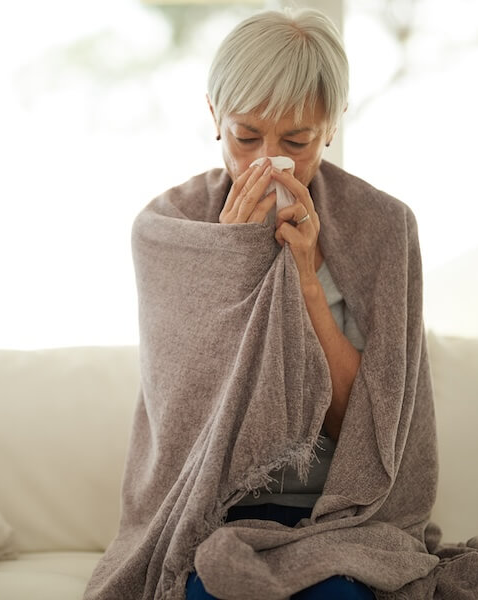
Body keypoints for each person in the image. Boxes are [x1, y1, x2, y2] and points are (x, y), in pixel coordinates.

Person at [86, 7, 437, 600]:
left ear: (331, 126)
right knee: (213, 587)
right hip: (209, 513)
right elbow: (188, 423)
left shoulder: (384, 229)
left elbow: (372, 430)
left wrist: (305, 282)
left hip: (342, 519)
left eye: (296, 141)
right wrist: (232, 265)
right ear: (214, 116)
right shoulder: (168, 229)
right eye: (246, 135)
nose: (265, 161)